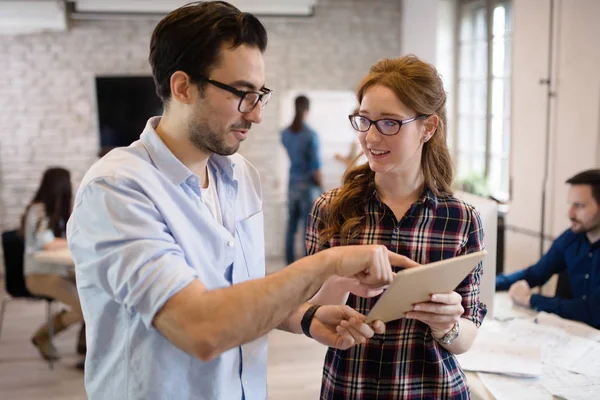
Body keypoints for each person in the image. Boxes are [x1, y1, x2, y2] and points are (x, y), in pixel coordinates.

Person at [66, 2, 417, 399]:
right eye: (242, 94)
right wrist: (330, 263)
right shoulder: (117, 190)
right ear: (182, 87)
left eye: (260, 95)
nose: (257, 115)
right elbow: (200, 327)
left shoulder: (240, 175)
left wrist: (304, 317)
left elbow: (238, 289)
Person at [306, 55, 487, 399]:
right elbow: (309, 312)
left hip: (435, 390)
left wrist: (446, 324)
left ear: (428, 127)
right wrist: (344, 281)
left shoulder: (462, 219)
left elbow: (466, 334)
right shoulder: (331, 209)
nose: (371, 137)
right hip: (351, 387)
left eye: (389, 123)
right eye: (364, 120)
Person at [496, 169, 600, 329]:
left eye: (579, 206)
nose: (570, 213)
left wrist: (531, 299)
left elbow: (594, 312)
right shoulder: (571, 238)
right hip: (579, 334)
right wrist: (484, 283)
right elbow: (534, 274)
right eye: (570, 204)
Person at [21, 167, 85, 365]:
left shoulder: (57, 211)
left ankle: (85, 348)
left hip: (60, 271)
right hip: (38, 275)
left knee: (97, 292)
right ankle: (43, 334)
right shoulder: (38, 210)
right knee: (85, 308)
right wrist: (80, 239)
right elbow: (46, 243)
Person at [281, 95, 323, 264]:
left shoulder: (285, 133)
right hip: (308, 186)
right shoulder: (311, 135)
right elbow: (315, 167)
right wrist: (322, 186)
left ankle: (289, 264)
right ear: (307, 110)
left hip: (292, 184)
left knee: (291, 227)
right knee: (308, 229)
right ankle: (306, 265)